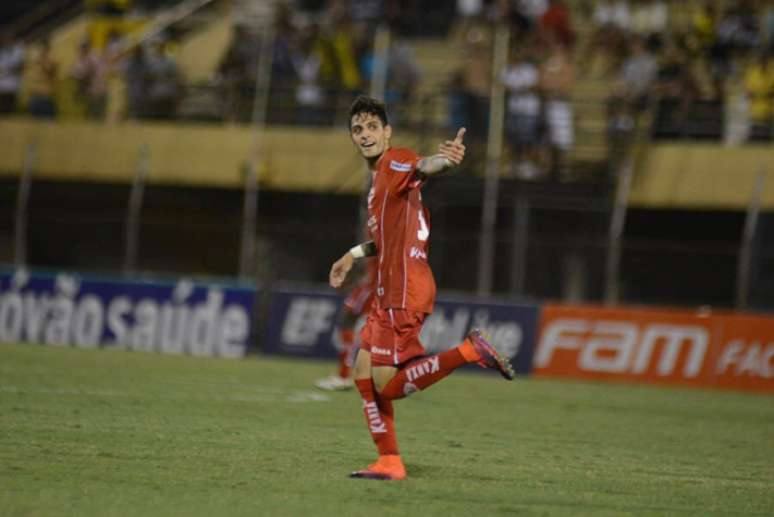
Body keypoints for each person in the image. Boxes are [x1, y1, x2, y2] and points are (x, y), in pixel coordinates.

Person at [328, 95, 514, 481]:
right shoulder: (380, 182)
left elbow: (424, 166)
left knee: (387, 386)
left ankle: (468, 350)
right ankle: (389, 461)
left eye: (372, 127)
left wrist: (445, 159)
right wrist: (352, 253)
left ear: (387, 132)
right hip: (389, 290)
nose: (365, 135)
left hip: (403, 290)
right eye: (358, 129)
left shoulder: (395, 161)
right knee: (363, 372)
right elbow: (385, 241)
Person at [315, 258, 377, 391]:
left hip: (371, 287)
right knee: (348, 323)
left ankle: (343, 376)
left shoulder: (385, 240)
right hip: (369, 284)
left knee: (348, 321)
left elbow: (376, 249)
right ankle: (343, 375)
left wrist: (350, 256)